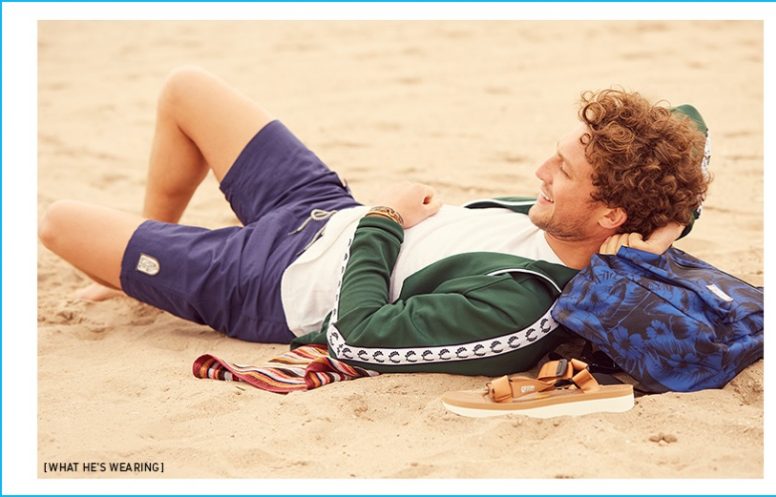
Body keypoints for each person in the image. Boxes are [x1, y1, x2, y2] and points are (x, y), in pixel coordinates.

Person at [39, 67, 710, 376]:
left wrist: (386, 221)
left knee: (59, 223)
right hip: (323, 207)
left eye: (561, 170)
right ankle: (136, 270)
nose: (538, 170)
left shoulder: (519, 305)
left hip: (267, 281)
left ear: (609, 211)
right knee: (187, 89)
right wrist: (670, 227)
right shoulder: (600, 217)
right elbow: (687, 126)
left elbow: (357, 336)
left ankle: (141, 268)